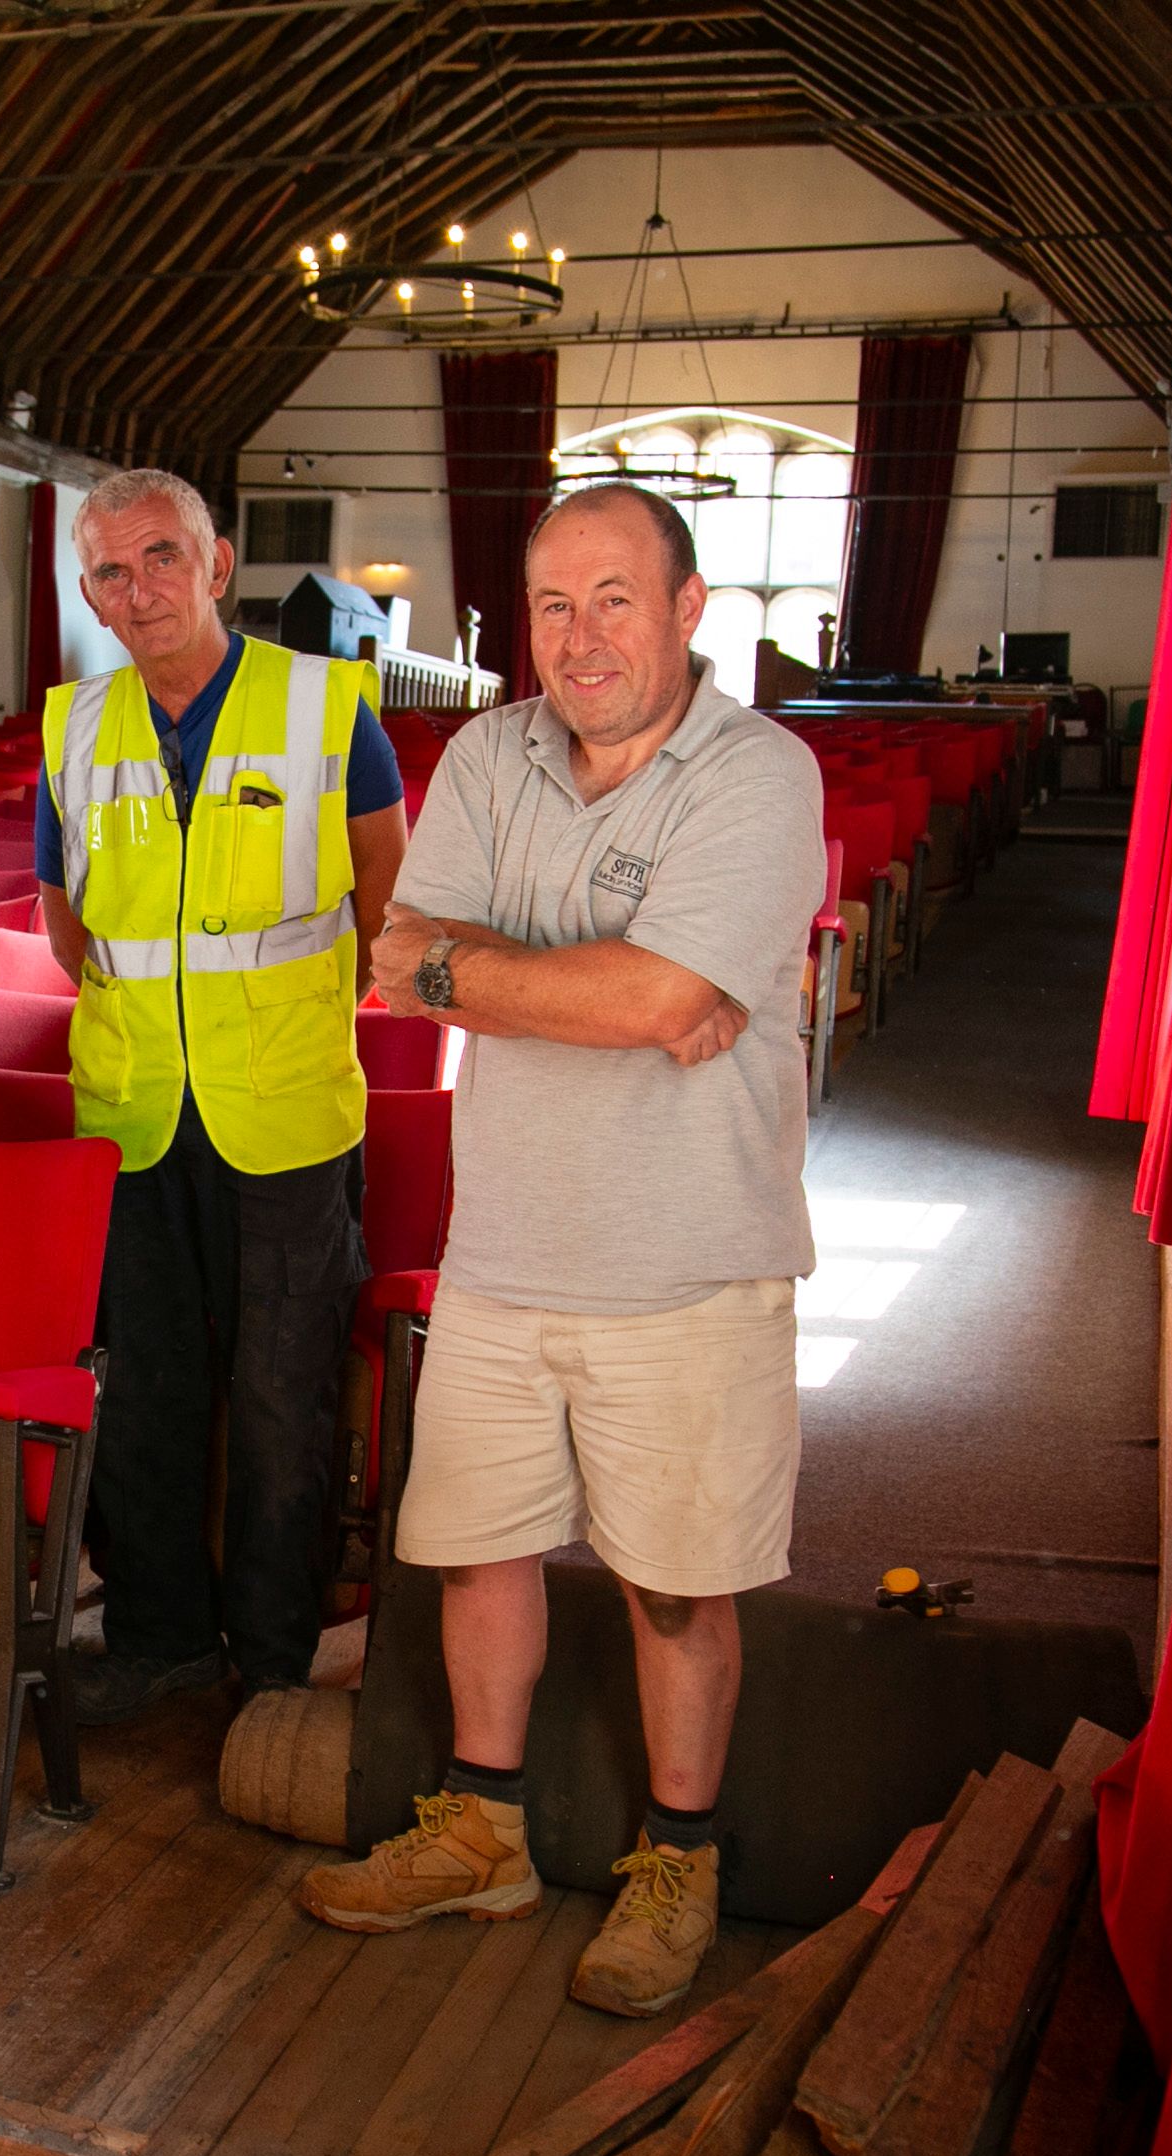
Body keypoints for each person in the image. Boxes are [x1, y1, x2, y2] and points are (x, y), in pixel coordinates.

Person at [295, 481, 826, 2019]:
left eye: (613, 599)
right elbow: (401, 962)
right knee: (481, 1549)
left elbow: (641, 1002)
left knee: (677, 1585)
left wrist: (536, 977)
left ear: (687, 610)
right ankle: (482, 1829)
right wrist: (616, 987)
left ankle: (680, 1858)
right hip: (506, 1251)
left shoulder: (761, 773)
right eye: (550, 605)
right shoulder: (484, 755)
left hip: (688, 1261)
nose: (580, 638)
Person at [35, 468, 410, 1723]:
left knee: (282, 1397)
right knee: (142, 1394)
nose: (134, 592)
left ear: (217, 562)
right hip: (133, 1112)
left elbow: (383, 899)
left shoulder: (326, 703)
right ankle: (159, 1639)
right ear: (87, 590)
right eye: (106, 572)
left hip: (287, 1112)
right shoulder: (73, 726)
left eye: (157, 560)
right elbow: (68, 926)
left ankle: (276, 1655)